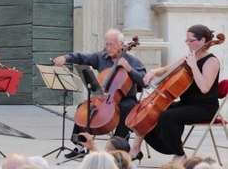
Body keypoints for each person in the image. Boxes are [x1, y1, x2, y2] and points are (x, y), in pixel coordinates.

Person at [129, 25, 220, 164]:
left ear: (202, 40)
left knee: (168, 116)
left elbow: (205, 88)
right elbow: (166, 69)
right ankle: (135, 148)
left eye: (191, 40)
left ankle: (179, 154)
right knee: (152, 111)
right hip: (186, 104)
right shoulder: (188, 57)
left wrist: (194, 65)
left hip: (205, 107)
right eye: (187, 41)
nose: (188, 44)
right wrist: (153, 72)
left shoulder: (211, 61)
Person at [53, 29, 146, 158]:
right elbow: (81, 57)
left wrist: (129, 68)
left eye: (112, 44)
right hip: (105, 97)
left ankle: (118, 149)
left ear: (121, 44)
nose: (108, 47)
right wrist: (66, 58)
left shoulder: (132, 61)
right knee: (83, 108)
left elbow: (144, 81)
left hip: (126, 98)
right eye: (107, 44)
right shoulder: (100, 57)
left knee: (125, 108)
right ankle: (79, 146)